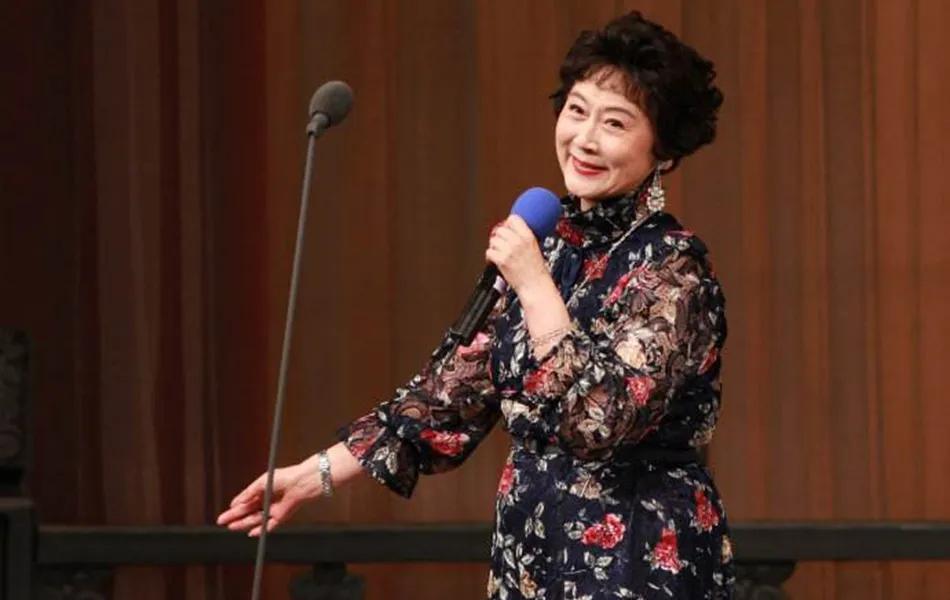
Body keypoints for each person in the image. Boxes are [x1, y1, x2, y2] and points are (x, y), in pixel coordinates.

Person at [218, 11, 733, 599]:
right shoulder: (548, 245)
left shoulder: (672, 269)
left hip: (637, 557)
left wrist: (535, 287)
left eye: (615, 122)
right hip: (531, 548)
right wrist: (316, 475)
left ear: (663, 149)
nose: (585, 139)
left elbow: (599, 421)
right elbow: (450, 395)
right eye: (576, 110)